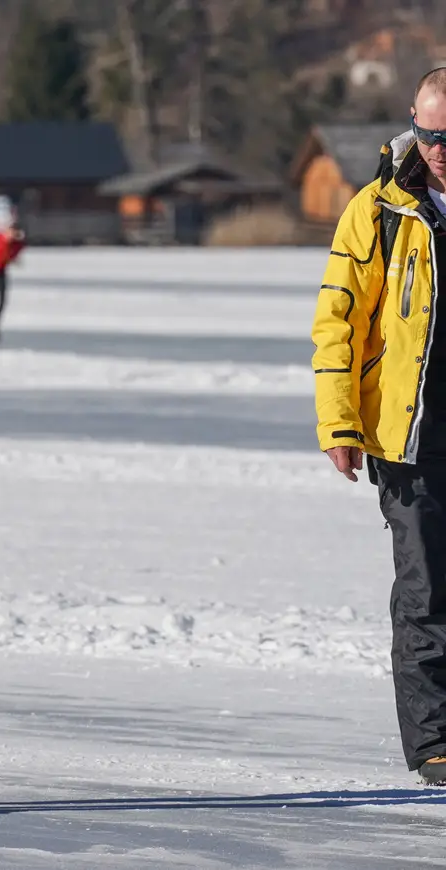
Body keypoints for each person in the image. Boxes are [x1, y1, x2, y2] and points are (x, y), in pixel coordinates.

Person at [312, 67, 446, 785]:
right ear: (412, 124)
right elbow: (338, 320)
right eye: (429, 134)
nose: (439, 149)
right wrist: (339, 424)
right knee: (426, 590)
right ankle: (435, 744)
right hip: (409, 436)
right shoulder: (379, 210)